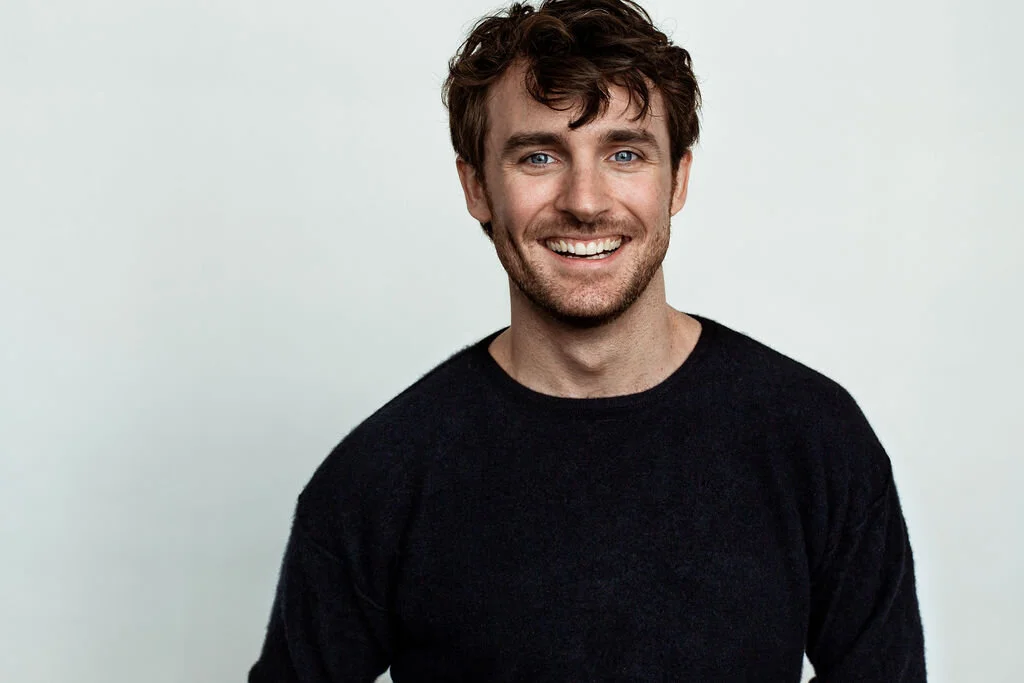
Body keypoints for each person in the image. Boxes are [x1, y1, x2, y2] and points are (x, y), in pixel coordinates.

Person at [248, 0, 926, 680]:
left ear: (678, 180)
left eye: (624, 154)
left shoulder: (814, 439)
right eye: (539, 156)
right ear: (476, 187)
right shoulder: (380, 478)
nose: (585, 201)